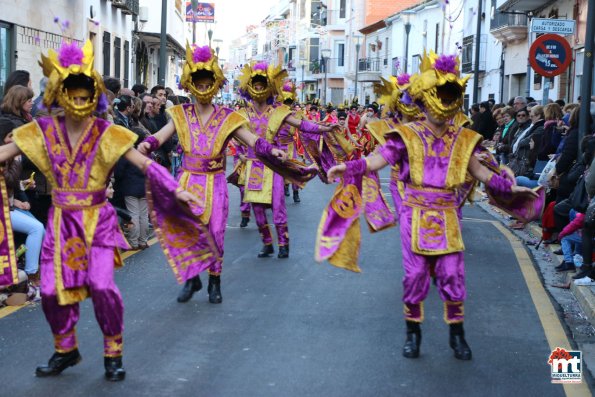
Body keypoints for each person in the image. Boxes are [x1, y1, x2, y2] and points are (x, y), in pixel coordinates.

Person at [0, 40, 200, 381]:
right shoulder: (43, 130)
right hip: (61, 224)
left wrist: (177, 189)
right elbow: (4, 153)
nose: (78, 97)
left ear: (94, 93)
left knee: (104, 288)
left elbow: (145, 164)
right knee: (50, 292)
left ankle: (113, 353)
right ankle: (66, 350)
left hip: (98, 222)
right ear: (59, 93)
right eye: (70, 89)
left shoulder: (108, 132)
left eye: (84, 90)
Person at [323, 51, 539, 361]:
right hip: (414, 212)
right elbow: (378, 159)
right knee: (415, 276)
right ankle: (413, 332)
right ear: (426, 97)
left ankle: (457, 334)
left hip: (447, 215)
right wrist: (350, 168)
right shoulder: (405, 135)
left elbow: (481, 173)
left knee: (452, 274)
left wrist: (510, 187)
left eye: (450, 92)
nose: (444, 99)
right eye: (439, 92)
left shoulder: (465, 138)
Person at [138, 45, 287, 303]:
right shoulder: (180, 114)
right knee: (186, 231)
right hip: (186, 180)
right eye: (200, 83)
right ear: (190, 83)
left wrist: (273, 151)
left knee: (216, 232)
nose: (204, 88)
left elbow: (252, 140)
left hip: (216, 182)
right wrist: (146, 144)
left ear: (216, 84)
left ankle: (214, 282)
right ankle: (192, 278)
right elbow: (161, 136)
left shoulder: (229, 117)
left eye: (209, 84)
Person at [236, 61, 336, 259]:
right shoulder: (242, 114)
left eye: (261, 85)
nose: (258, 89)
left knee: (278, 205)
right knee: (257, 208)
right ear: (248, 87)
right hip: (253, 165)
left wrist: (324, 128)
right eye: (254, 85)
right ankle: (267, 243)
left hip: (274, 165)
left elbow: (301, 124)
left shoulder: (278, 112)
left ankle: (283, 243)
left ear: (269, 88)